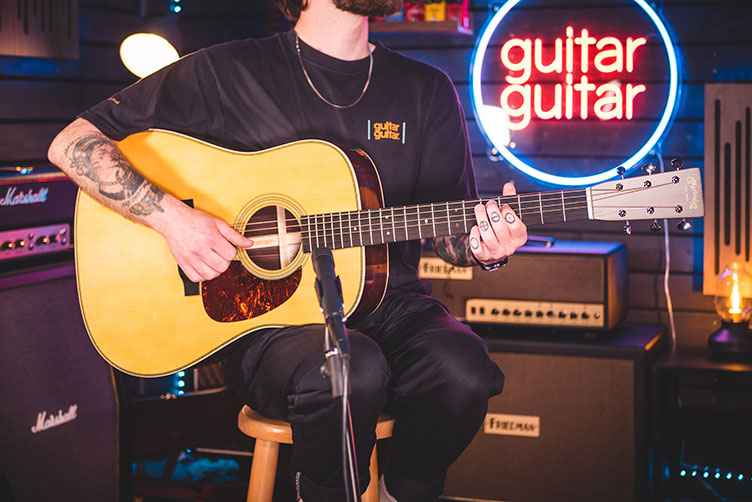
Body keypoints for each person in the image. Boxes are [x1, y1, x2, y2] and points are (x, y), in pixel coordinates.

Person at [47, 0, 528, 500]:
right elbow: (71, 143)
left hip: (392, 306)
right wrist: (174, 221)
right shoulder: (227, 71)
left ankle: (399, 492)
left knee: (463, 370)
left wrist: (484, 244)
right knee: (349, 370)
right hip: (274, 325)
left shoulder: (425, 89)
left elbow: (446, 227)